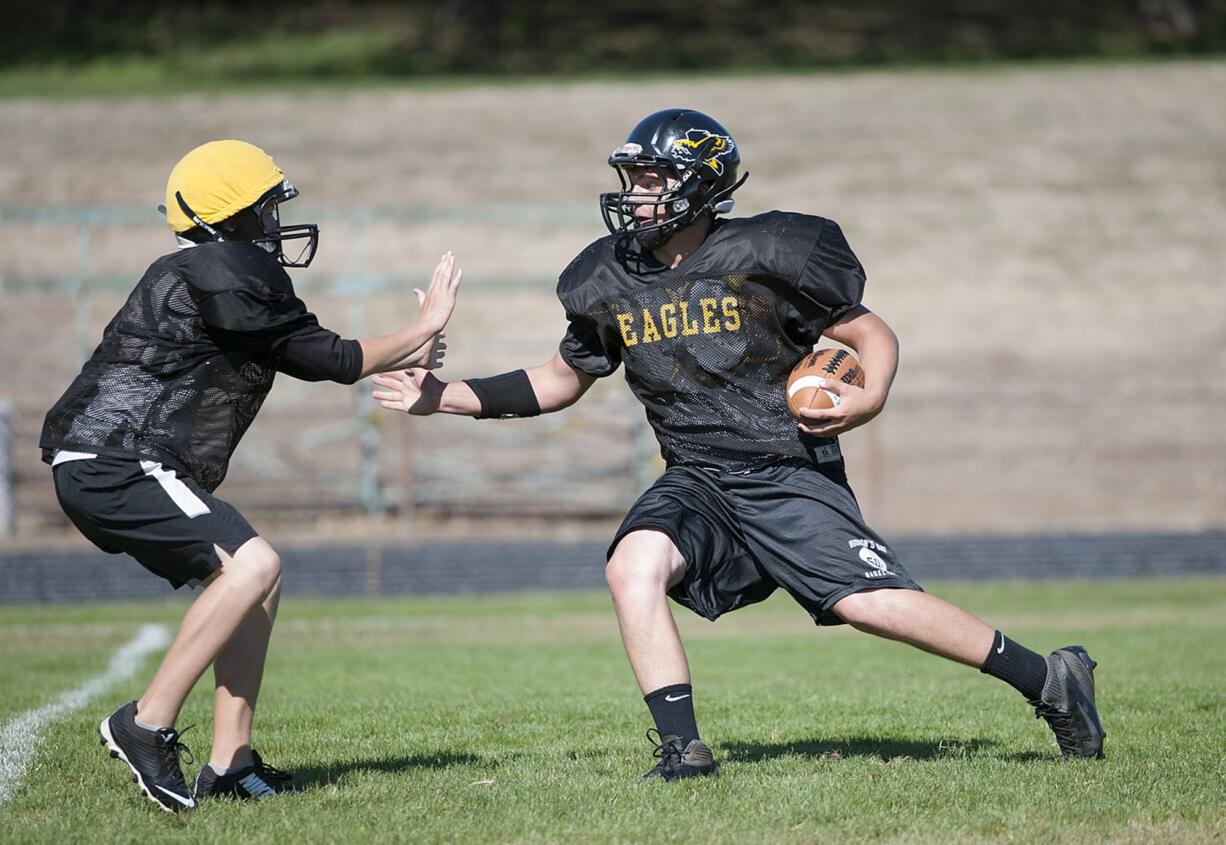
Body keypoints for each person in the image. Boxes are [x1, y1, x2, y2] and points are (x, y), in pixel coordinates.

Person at [371, 109, 1104, 780]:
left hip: (786, 469)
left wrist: (869, 394)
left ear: (700, 185)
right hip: (696, 477)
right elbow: (562, 377)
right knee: (633, 565)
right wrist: (444, 397)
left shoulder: (768, 252)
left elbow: (866, 330)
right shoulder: (608, 275)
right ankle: (682, 747)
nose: (636, 194)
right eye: (632, 179)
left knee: (871, 605)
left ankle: (1048, 678)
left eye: (653, 179)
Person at [41, 140, 462, 811]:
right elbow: (335, 358)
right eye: (265, 207)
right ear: (233, 216)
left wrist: (414, 339)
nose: (275, 221)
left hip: (117, 459)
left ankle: (230, 760)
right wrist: (424, 324)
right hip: (118, 459)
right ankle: (145, 721)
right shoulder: (219, 270)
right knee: (252, 563)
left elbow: (314, 352)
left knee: (256, 582)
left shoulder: (212, 273)